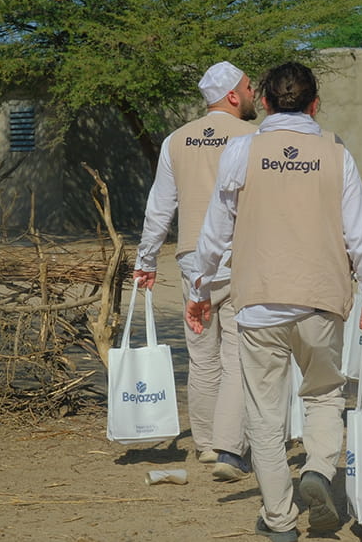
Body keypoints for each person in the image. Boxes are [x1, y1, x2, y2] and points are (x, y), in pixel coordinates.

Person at [186, 61, 362, 542]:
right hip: (321, 300)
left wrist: (198, 289)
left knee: (265, 417)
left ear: (267, 104)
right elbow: (360, 234)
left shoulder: (241, 150)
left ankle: (279, 520)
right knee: (324, 395)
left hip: (258, 305)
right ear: (315, 104)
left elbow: (214, 231)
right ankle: (317, 470)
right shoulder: (336, 154)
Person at [132, 61, 258, 482]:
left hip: (192, 262)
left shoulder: (175, 140)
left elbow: (159, 207)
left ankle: (204, 444)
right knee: (237, 354)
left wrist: (145, 260)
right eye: (248, 86)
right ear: (234, 95)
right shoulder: (254, 137)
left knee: (202, 357)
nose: (254, 92)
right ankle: (229, 446)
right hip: (241, 257)